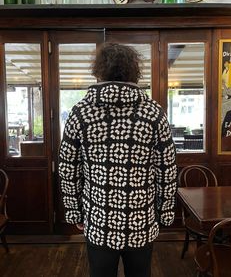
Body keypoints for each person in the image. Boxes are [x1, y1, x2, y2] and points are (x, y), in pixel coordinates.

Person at [58, 43, 178, 277]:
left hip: (99, 219)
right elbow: (167, 169)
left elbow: (68, 168)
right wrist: (164, 213)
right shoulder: (154, 113)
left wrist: (75, 212)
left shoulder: (80, 112)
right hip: (140, 221)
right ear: (134, 71)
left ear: (99, 71)